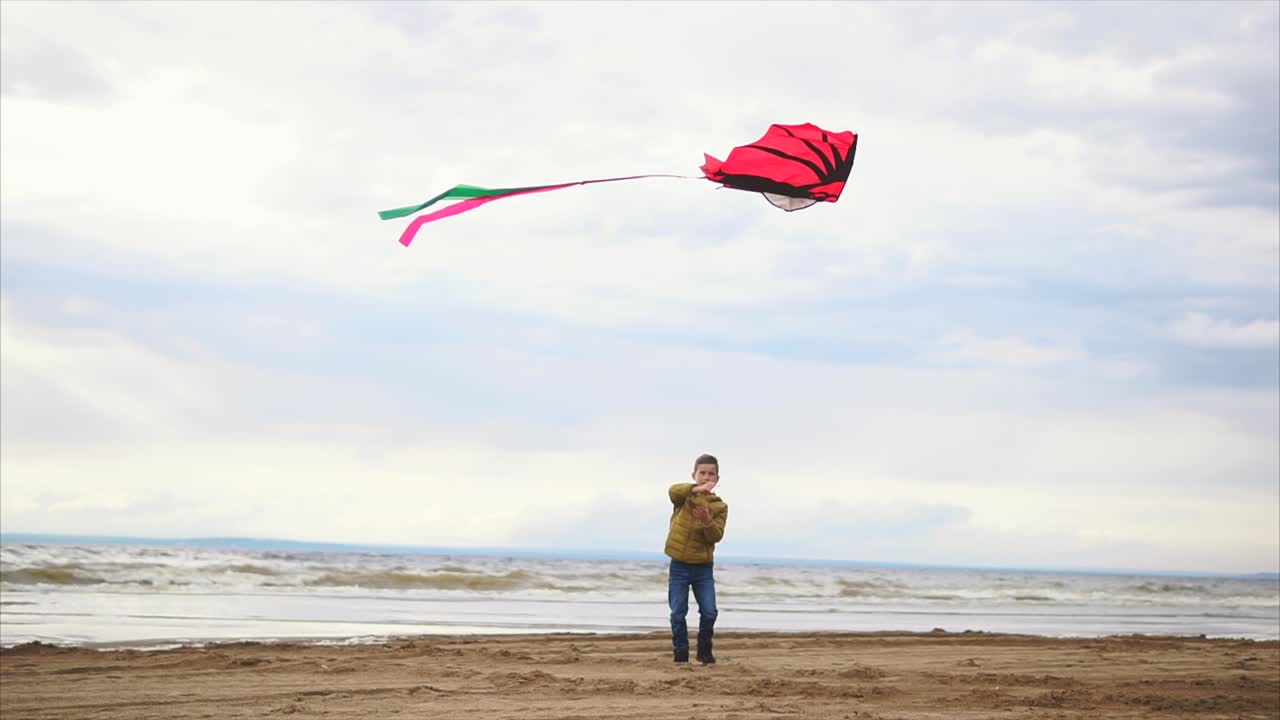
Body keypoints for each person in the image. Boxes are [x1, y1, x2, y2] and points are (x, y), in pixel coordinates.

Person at [664, 453, 729, 664]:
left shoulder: (720, 506)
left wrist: (707, 521)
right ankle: (681, 653)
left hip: (703, 568)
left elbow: (716, 536)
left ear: (717, 480)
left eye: (711, 474)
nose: (706, 477)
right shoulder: (684, 497)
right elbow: (672, 490)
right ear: (694, 475)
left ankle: (704, 651)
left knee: (709, 611)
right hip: (679, 565)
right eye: (702, 473)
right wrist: (695, 489)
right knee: (677, 612)